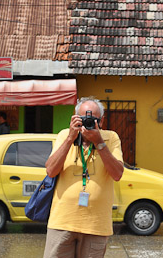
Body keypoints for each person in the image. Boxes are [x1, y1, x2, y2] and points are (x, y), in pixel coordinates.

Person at [44, 97, 124, 258]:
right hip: (62, 222)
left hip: (96, 225)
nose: (88, 123)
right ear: (75, 119)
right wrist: (69, 139)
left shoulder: (111, 138)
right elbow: (51, 170)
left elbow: (117, 174)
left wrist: (99, 143)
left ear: (101, 121)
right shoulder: (64, 135)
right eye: (84, 119)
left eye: (93, 119)